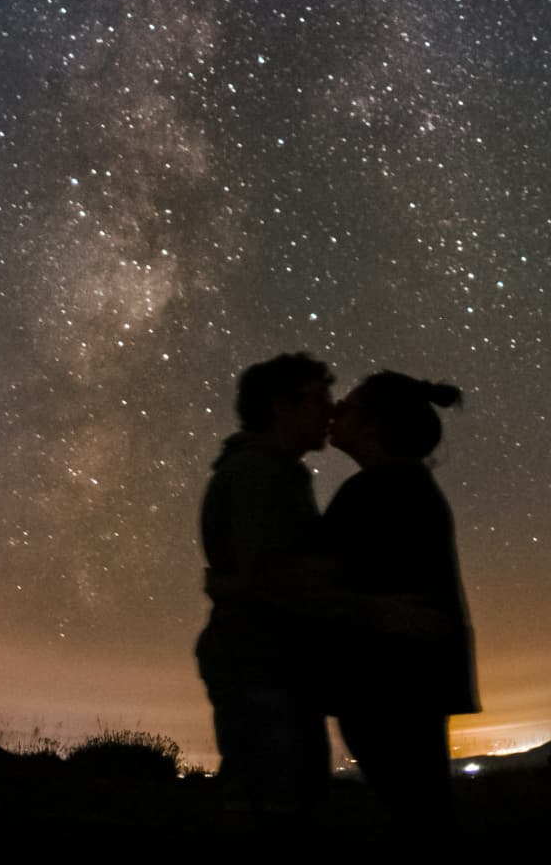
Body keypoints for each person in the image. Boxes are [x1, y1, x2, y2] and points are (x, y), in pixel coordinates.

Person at [318, 371, 478, 835]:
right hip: (415, 683)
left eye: (345, 406)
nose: (333, 411)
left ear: (371, 425)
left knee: (413, 815)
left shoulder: (371, 493)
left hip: (386, 686)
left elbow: (318, 582)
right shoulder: (407, 487)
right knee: (422, 810)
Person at [195, 352, 336, 819]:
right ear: (281, 407)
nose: (329, 411)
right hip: (262, 665)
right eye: (318, 400)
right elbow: (271, 578)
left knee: (273, 799)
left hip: (267, 663)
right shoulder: (258, 474)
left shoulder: (274, 471)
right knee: (277, 807)